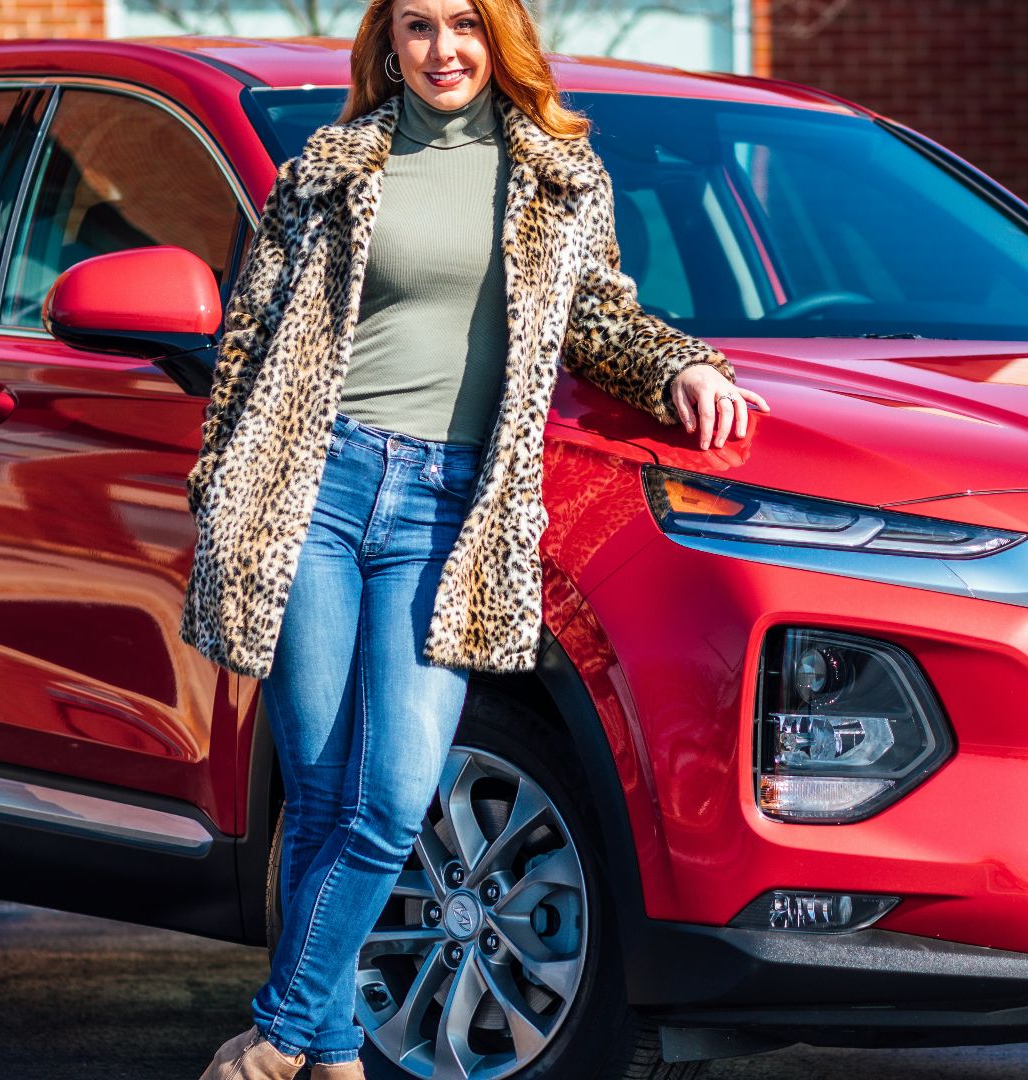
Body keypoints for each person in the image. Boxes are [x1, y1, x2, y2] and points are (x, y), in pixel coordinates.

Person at [189, 0, 769, 1077]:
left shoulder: (558, 180)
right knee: (317, 792)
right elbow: (248, 338)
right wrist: (221, 482)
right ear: (388, 43)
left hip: (445, 512)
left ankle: (277, 1030)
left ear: (498, 37)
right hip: (313, 486)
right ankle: (331, 1049)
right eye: (417, 26)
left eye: (464, 23)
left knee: (393, 795)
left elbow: (598, 315)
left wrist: (686, 367)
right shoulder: (327, 169)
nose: (442, 49)